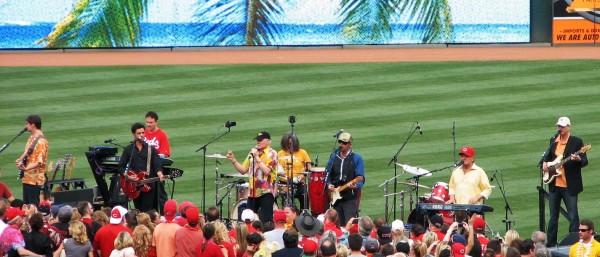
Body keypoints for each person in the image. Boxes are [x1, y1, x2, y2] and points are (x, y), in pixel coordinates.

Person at [542, 117, 589, 247]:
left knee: (573, 217)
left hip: (569, 187)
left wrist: (578, 158)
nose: (560, 129)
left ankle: (574, 243)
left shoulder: (576, 142)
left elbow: (585, 161)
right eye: (559, 126)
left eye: (562, 127)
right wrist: (545, 164)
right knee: (553, 218)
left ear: (569, 127)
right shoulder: (554, 140)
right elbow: (548, 157)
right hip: (554, 186)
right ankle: (550, 244)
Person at [227, 131, 278, 223]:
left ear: (268, 141)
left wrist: (257, 157)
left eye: (261, 140)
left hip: (266, 192)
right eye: (257, 140)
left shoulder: (272, 154)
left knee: (266, 220)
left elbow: (267, 171)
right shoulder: (252, 153)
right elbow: (243, 170)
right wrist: (233, 160)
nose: (258, 142)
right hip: (252, 192)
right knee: (248, 220)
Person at [118, 122, 165, 212]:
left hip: (149, 184)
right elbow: (121, 167)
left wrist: (160, 173)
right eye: (139, 133)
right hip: (135, 185)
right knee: (138, 210)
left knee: (149, 211)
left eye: (143, 133)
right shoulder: (129, 149)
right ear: (134, 135)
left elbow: (157, 164)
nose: (142, 135)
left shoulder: (151, 149)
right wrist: (128, 176)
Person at [325, 132, 365, 224]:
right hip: (335, 197)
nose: (341, 144)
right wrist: (329, 184)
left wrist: (356, 186)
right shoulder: (334, 157)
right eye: (340, 142)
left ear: (350, 144)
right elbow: (328, 174)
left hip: (349, 198)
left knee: (349, 224)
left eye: (344, 143)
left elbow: (360, 178)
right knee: (337, 224)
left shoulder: (357, 158)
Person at [15, 114, 49, 206]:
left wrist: (26, 168)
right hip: (27, 178)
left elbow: (39, 162)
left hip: (34, 179)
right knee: (26, 206)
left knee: (33, 206)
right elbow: (27, 152)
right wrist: (20, 160)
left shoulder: (42, 141)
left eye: (27, 124)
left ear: (33, 125)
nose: (26, 126)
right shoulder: (31, 138)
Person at [277, 132, 312, 209]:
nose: (290, 146)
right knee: (284, 201)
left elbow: (308, 167)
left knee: (304, 196)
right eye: (288, 144)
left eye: (291, 144)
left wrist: (300, 177)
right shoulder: (280, 153)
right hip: (285, 182)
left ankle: (304, 213)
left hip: (299, 182)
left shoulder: (302, 152)